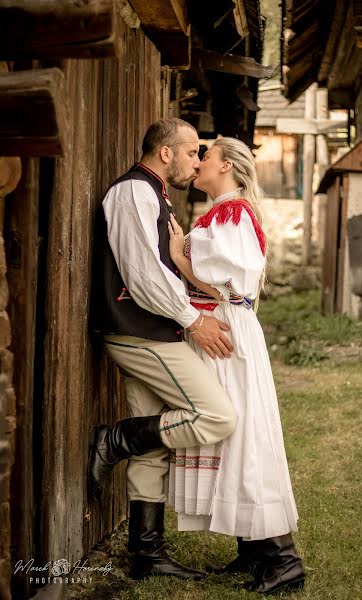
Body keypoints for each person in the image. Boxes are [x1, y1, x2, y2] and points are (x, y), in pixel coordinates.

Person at [87, 118, 238, 581]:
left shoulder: (154, 193)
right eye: (193, 152)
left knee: (154, 447)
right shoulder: (134, 191)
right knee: (216, 416)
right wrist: (194, 321)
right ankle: (114, 439)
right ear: (166, 152)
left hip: (149, 329)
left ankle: (146, 556)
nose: (197, 161)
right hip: (138, 331)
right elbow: (143, 274)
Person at [167, 137, 305, 595]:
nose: (198, 162)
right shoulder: (221, 213)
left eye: (204, 156)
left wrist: (178, 258)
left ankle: (284, 559)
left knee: (245, 436)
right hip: (221, 325)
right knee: (233, 435)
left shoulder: (232, 213)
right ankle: (255, 551)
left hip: (226, 326)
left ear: (225, 165)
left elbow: (224, 282)